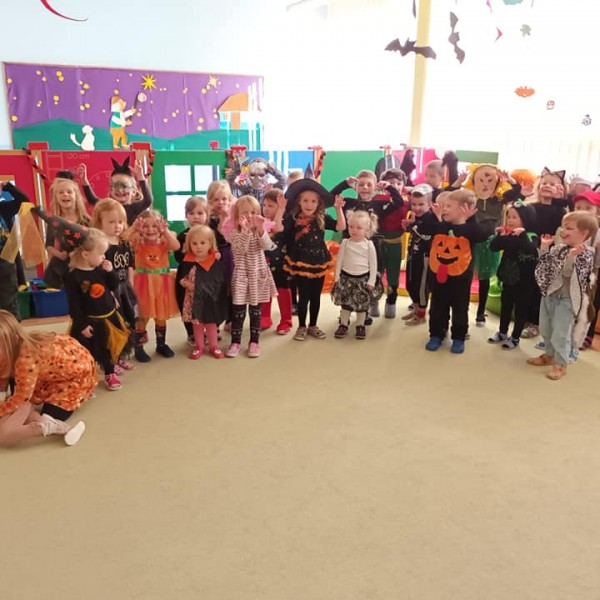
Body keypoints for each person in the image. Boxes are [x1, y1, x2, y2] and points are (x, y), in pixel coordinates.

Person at [0, 310, 93, 447]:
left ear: (12, 339)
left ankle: (49, 425)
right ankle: (47, 424)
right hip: (52, 372)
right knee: (16, 405)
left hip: (75, 377)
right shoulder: (12, 350)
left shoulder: (26, 360)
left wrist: (6, 408)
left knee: (49, 414)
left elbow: (20, 399)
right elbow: (3, 376)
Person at [527, 211, 598, 380]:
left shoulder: (586, 254)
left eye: (569, 228)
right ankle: (549, 355)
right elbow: (545, 267)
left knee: (561, 333)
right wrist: (544, 247)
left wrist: (571, 257)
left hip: (566, 300)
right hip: (550, 295)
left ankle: (560, 363)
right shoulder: (558, 248)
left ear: (583, 233)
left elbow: (567, 274)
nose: (563, 231)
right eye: (563, 227)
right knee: (545, 328)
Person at [330, 169, 404, 321]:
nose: (365, 187)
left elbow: (399, 202)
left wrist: (389, 187)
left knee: (368, 278)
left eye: (369, 185)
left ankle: (365, 311)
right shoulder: (348, 203)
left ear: (375, 187)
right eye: (361, 184)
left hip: (370, 248)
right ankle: (345, 311)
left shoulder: (379, 204)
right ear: (355, 187)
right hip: (350, 248)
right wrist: (345, 184)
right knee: (348, 278)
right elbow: (330, 197)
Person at [419, 189, 487, 353]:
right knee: (437, 307)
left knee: (460, 308)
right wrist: (435, 215)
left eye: (449, 206)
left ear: (463, 209)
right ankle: (436, 334)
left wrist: (465, 221)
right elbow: (424, 228)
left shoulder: (471, 228)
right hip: (439, 276)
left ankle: (458, 337)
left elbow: (482, 235)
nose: (445, 209)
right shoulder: (442, 225)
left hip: (461, 278)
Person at [283, 179, 346, 341]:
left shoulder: (322, 217)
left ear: (318, 204)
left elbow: (340, 227)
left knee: (315, 296)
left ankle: (313, 325)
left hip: (319, 260)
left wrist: (338, 209)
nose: (309, 204)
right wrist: (280, 209)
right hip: (301, 260)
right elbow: (280, 229)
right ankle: (301, 326)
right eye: (305, 200)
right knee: (303, 296)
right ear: (299, 201)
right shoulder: (293, 218)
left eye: (313, 201)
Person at [225, 195, 277, 358]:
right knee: (238, 312)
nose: (249, 216)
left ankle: (254, 342)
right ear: (237, 216)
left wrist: (260, 229)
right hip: (241, 276)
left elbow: (268, 246)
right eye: (244, 212)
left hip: (258, 275)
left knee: (256, 312)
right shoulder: (235, 233)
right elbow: (239, 250)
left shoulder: (261, 231)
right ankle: (235, 342)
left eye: (253, 212)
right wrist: (246, 230)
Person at [91, 198, 138, 372]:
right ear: (99, 223)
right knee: (113, 324)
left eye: (120, 221)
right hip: (110, 290)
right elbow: (98, 273)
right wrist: (109, 294)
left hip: (125, 288)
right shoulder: (100, 246)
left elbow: (130, 266)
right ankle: (112, 359)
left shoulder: (124, 243)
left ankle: (122, 355)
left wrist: (131, 286)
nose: (117, 226)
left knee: (127, 321)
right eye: (111, 222)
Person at [522, 168, 570, 339]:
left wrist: (559, 200)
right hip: (529, 250)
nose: (547, 186)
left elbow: (564, 225)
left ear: (560, 189)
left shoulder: (560, 211)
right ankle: (523, 319)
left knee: (540, 287)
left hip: (548, 252)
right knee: (526, 286)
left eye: (552, 184)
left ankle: (534, 322)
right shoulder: (530, 207)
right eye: (544, 183)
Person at [128, 210, 180, 361]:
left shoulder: (164, 242)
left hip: (162, 285)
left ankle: (161, 344)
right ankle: (138, 347)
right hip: (143, 285)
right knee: (142, 317)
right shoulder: (137, 242)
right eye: (145, 226)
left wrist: (165, 231)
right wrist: (134, 229)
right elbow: (124, 240)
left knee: (161, 316)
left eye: (155, 226)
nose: (150, 230)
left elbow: (176, 246)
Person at [487, 201, 539, 350]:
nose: (510, 220)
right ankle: (502, 332)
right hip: (508, 280)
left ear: (526, 219)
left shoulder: (531, 236)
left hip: (525, 283)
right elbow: (494, 247)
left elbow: (530, 249)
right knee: (505, 307)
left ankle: (515, 337)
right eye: (509, 217)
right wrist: (500, 236)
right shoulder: (509, 235)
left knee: (520, 310)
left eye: (514, 217)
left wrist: (521, 235)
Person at [178, 225, 228, 360]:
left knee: (211, 323)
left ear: (210, 243)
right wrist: (191, 285)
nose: (198, 247)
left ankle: (214, 346)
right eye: (194, 243)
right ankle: (199, 346)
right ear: (189, 244)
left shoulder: (214, 261)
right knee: (197, 324)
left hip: (210, 299)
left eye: (202, 243)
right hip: (193, 299)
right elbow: (181, 279)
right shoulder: (187, 261)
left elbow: (219, 280)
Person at [332, 210, 383, 339]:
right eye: (351, 227)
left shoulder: (369, 245)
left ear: (367, 230)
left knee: (362, 305)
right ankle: (343, 324)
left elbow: (373, 264)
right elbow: (339, 261)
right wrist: (337, 277)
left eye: (359, 228)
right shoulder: (345, 242)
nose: (354, 230)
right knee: (346, 304)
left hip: (362, 280)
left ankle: (360, 325)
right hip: (346, 278)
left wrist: (371, 281)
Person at [43, 173, 91, 289]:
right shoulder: (54, 221)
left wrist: (80, 253)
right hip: (60, 269)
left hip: (82, 267)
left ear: (76, 196)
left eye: (69, 192)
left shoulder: (86, 220)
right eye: (61, 192)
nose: (65, 194)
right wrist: (59, 255)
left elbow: (93, 244)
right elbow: (48, 245)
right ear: (56, 198)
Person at [174, 196, 210, 345]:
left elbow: (215, 253)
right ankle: (191, 333)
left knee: (207, 303)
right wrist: (185, 248)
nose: (196, 216)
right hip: (186, 276)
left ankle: (209, 330)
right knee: (186, 304)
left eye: (200, 213)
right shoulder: (182, 235)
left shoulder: (210, 234)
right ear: (186, 215)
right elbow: (178, 257)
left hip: (206, 275)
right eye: (192, 213)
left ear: (207, 215)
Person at [402, 184, 437, 326]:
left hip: (424, 258)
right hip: (413, 255)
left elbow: (425, 234)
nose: (417, 208)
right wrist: (409, 225)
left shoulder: (432, 219)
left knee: (421, 287)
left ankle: (421, 315)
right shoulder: (416, 217)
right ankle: (416, 310)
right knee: (410, 284)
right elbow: (414, 230)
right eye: (414, 204)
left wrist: (412, 226)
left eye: (421, 204)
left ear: (429, 204)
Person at [79, 157, 152, 225]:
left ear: (133, 191)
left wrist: (140, 176)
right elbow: (92, 199)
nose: (120, 190)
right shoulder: (107, 207)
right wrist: (84, 180)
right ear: (111, 189)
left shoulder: (135, 208)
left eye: (124, 186)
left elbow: (148, 200)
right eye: (115, 186)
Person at [377, 168, 409, 318]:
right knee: (376, 273)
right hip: (378, 243)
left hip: (395, 243)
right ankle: (373, 301)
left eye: (398, 183)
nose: (394, 186)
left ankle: (391, 301)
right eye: (390, 183)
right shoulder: (378, 199)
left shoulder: (406, 201)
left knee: (393, 275)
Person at [571, 190, 600, 350]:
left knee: (588, 305)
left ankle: (584, 336)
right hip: (572, 273)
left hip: (591, 276)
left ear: (597, 212)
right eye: (578, 207)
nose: (582, 211)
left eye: (588, 208)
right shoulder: (569, 228)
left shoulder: (598, 232)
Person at [260, 189, 292, 333]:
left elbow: (277, 228)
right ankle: (265, 317)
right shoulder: (261, 222)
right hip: (264, 264)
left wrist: (280, 210)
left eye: (270, 206)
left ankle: (286, 320)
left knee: (283, 291)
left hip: (281, 265)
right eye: (264, 205)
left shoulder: (285, 221)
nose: (266, 209)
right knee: (264, 290)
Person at [0, 181, 30, 317]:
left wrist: (7, 186)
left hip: (5, 265)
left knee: (9, 305)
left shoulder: (3, 208)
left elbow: (24, 201)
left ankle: (12, 327)